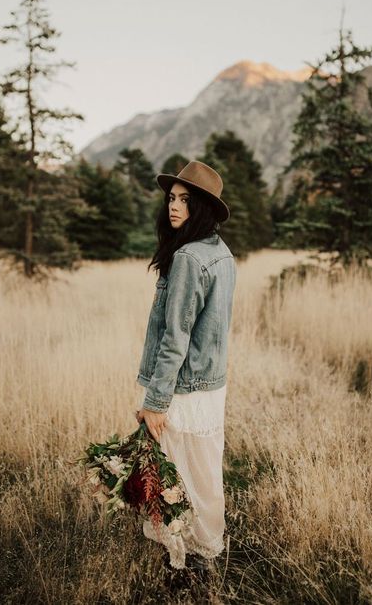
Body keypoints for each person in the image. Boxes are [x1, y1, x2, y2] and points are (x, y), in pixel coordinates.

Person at [135, 160, 237, 575]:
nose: (174, 206)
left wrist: (156, 402)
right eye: (171, 198)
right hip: (210, 386)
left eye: (185, 200)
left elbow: (175, 337)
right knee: (203, 472)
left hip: (183, 389)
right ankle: (204, 553)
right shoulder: (220, 253)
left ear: (203, 207)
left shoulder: (190, 259)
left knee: (176, 476)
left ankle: (184, 563)